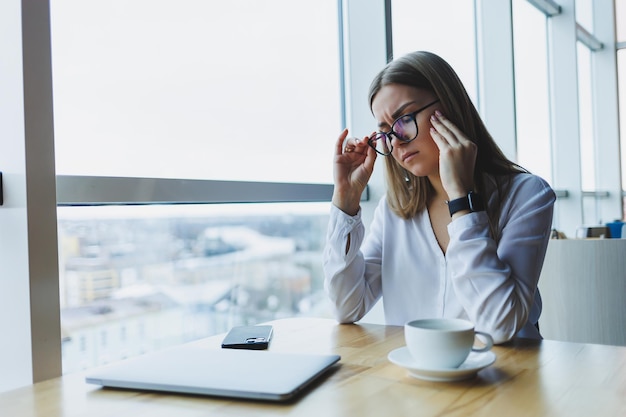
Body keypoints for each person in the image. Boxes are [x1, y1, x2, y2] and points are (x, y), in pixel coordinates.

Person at [323, 51, 556, 344]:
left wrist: (462, 198)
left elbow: (500, 325)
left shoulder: (527, 196)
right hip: (418, 380)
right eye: (385, 133)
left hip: (508, 381)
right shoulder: (394, 212)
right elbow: (346, 307)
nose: (396, 141)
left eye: (404, 119)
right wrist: (346, 200)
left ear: (449, 106)